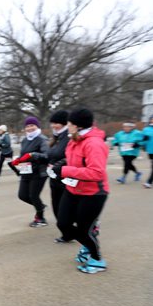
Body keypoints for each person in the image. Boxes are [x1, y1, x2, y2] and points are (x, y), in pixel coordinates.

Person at [51, 108, 109, 274]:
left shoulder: (94, 143)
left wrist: (65, 171)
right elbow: (71, 160)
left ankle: (97, 259)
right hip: (73, 188)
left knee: (84, 230)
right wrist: (60, 165)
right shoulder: (74, 140)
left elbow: (97, 173)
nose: (67, 126)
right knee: (63, 224)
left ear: (76, 125)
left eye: (69, 123)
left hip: (94, 193)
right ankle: (88, 242)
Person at [9, 116, 49, 227]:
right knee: (22, 195)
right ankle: (40, 206)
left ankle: (40, 218)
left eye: (32, 125)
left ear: (37, 126)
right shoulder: (25, 140)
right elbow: (24, 155)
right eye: (27, 126)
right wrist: (18, 160)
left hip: (39, 172)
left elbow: (47, 156)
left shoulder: (42, 139)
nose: (30, 128)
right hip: (26, 171)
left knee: (33, 196)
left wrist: (33, 155)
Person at [43, 110, 70, 242]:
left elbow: (70, 157)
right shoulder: (56, 137)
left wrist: (58, 165)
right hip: (54, 178)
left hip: (66, 178)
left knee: (66, 210)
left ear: (64, 123)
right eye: (52, 123)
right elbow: (50, 155)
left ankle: (71, 232)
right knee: (56, 207)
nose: (53, 125)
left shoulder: (69, 137)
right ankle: (67, 233)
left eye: (56, 123)